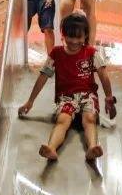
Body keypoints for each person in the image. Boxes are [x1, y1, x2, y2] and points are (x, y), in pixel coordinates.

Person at [18, 14, 116, 163]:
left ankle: (92, 147)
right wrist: (30, 101)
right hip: (66, 97)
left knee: (89, 119)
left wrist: (109, 98)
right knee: (62, 120)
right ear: (62, 34)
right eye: (70, 36)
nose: (74, 41)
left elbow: (104, 76)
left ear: (86, 36)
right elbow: (43, 77)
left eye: (79, 37)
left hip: (87, 95)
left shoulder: (91, 53)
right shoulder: (56, 54)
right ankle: (51, 148)